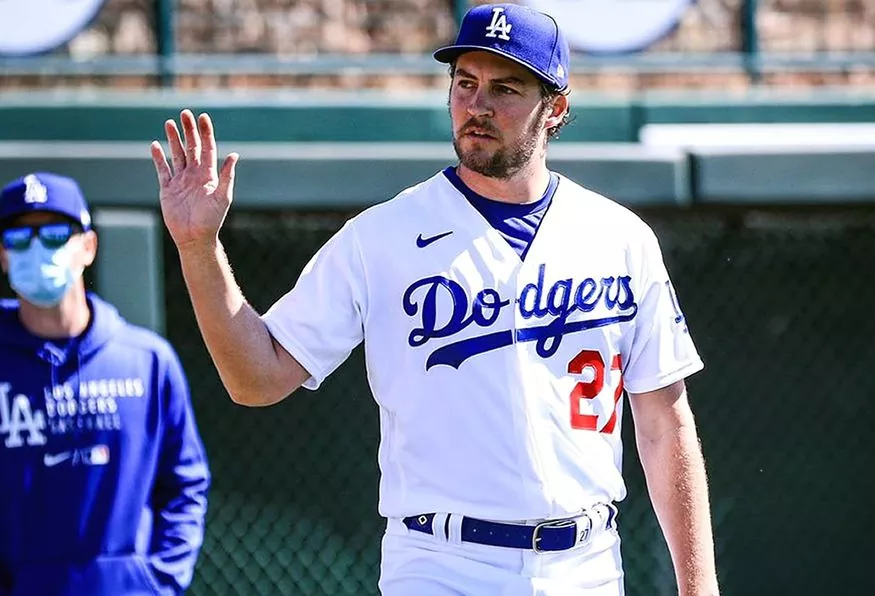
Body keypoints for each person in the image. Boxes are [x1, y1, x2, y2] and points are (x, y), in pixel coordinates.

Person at [150, 3, 718, 594]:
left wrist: (699, 586)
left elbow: (663, 422)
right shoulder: (382, 237)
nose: (478, 105)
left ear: (554, 108)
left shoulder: (619, 238)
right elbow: (257, 379)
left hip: (588, 562)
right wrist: (197, 248)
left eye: (505, 88)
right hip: (442, 561)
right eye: (465, 83)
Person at [0, 172, 211, 596]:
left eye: (56, 234)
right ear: (2, 255)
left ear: (89, 246)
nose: (37, 249)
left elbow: (184, 485)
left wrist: (157, 582)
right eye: (19, 238)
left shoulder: (147, 361)